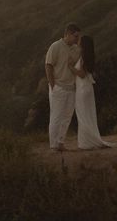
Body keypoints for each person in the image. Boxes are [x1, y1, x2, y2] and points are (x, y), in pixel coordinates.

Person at [70, 35, 116, 149]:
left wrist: (70, 67)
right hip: (87, 88)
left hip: (83, 90)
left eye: (80, 41)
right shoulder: (88, 57)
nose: (78, 42)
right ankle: (88, 141)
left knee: (83, 115)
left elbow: (81, 74)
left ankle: (87, 142)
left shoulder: (84, 58)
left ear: (83, 44)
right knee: (87, 114)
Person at [45, 23, 81, 151]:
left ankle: (60, 143)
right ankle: (53, 146)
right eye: (75, 36)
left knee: (67, 116)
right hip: (58, 87)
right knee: (56, 117)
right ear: (67, 34)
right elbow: (48, 65)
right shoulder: (56, 46)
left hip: (71, 88)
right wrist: (52, 85)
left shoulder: (77, 49)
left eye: (78, 36)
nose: (77, 39)